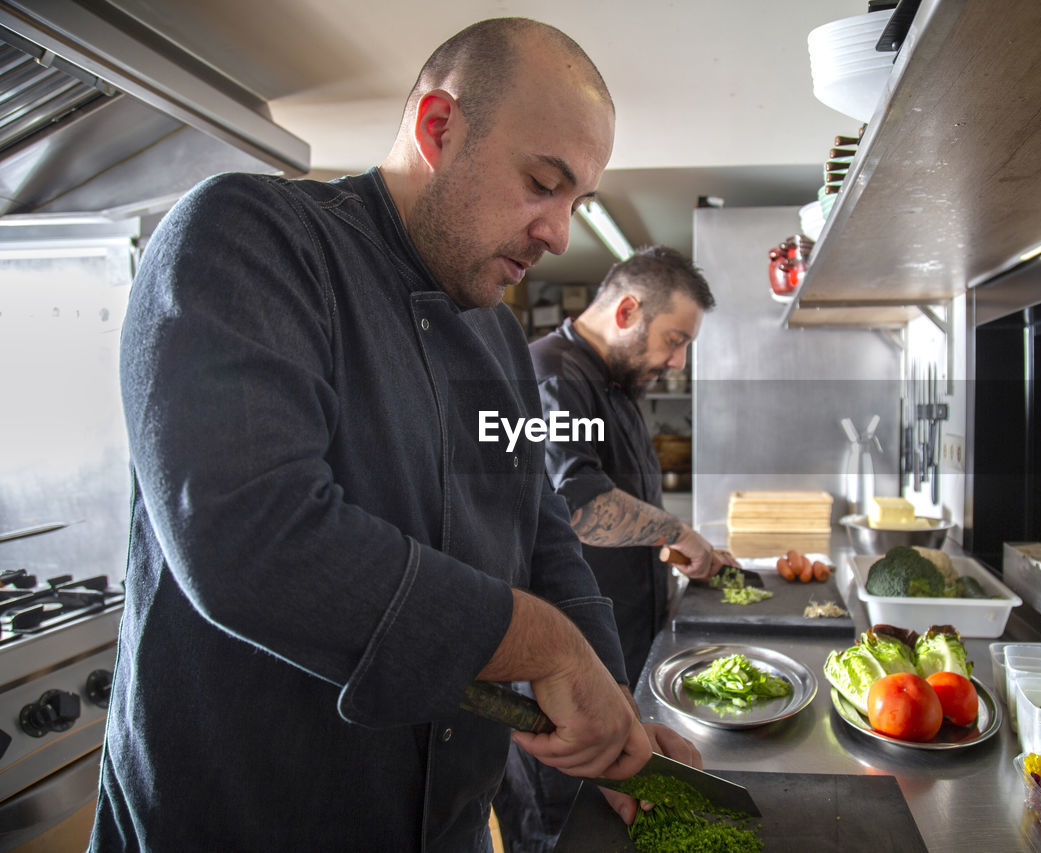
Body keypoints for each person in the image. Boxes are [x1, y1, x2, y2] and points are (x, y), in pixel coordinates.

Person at [91, 18, 699, 852]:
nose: (559, 232)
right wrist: (548, 647)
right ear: (438, 128)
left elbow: (543, 536)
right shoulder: (248, 237)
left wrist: (610, 717)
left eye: (576, 202)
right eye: (540, 182)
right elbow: (252, 540)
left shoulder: (494, 339)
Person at [494, 247, 729, 851]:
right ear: (627, 310)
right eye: (674, 339)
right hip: (557, 683)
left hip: (613, 654)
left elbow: (621, 500)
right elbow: (581, 508)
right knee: (561, 832)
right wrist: (680, 534)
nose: (677, 360)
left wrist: (670, 546)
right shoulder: (552, 377)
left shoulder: (614, 381)